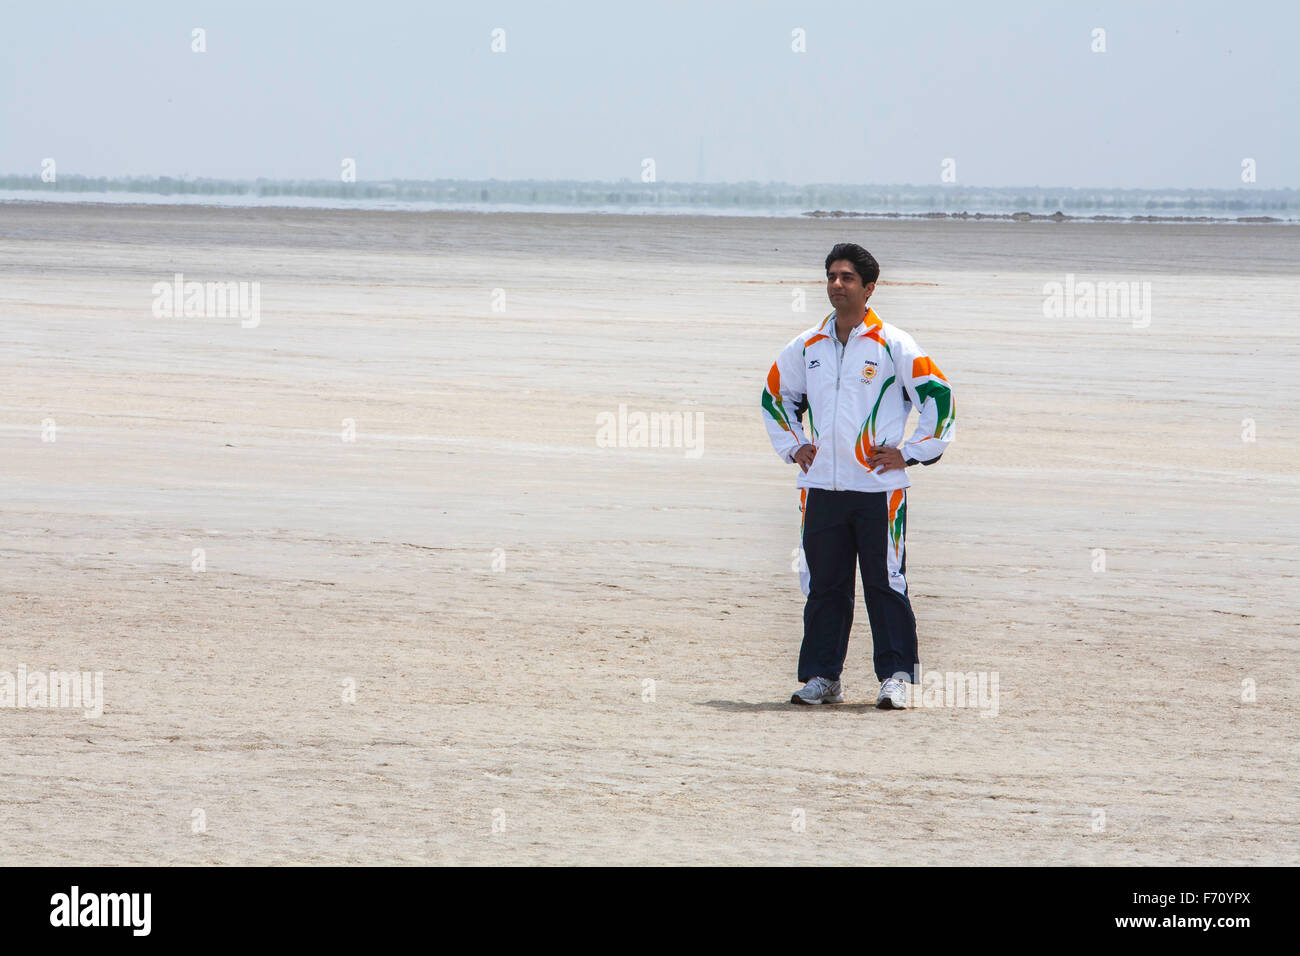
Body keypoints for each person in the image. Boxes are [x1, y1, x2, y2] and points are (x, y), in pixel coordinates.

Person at [761, 243, 955, 709]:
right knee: (823, 585)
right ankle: (823, 678)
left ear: (869, 287)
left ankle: (896, 679)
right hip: (820, 490)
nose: (836, 285)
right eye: (831, 276)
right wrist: (794, 446)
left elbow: (939, 396)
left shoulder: (893, 344)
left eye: (847, 278)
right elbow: (774, 395)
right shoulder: (806, 346)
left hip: (877, 491)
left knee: (886, 582)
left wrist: (911, 452)